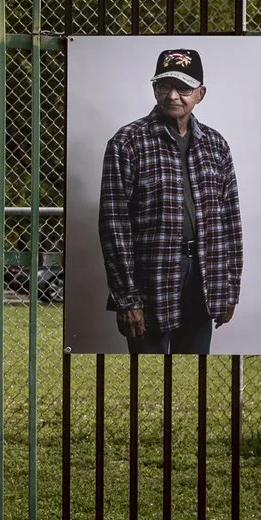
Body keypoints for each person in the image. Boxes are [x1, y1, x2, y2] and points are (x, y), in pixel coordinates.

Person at [98, 47, 241, 354]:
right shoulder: (127, 142)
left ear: (200, 93)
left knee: (193, 371)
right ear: (154, 89)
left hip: (205, 274)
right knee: (147, 373)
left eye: (184, 88)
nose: (173, 95)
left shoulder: (216, 145)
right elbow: (114, 225)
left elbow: (230, 221)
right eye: (165, 86)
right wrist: (127, 299)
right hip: (151, 277)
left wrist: (230, 289)